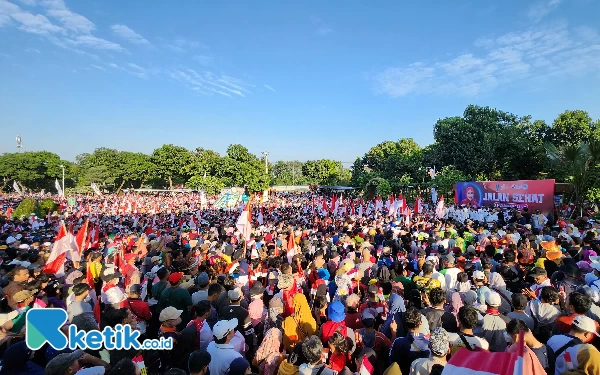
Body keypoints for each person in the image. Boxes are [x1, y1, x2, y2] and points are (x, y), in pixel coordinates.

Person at [389, 307, 430, 375]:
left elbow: (392, 362)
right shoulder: (429, 343)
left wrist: (393, 332)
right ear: (421, 323)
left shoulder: (398, 342)